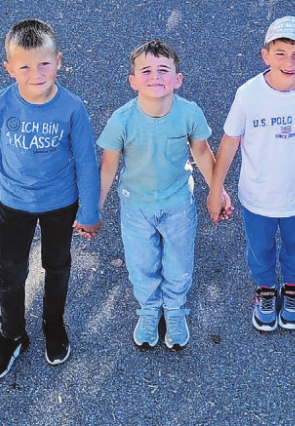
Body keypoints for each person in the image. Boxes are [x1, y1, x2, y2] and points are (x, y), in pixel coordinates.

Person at [0, 19, 100, 381]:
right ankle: (12, 333)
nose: (37, 74)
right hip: (14, 203)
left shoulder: (72, 107)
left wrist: (90, 209)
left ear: (59, 61)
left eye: (44, 64)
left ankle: (53, 324)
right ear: (9, 69)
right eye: (25, 67)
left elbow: (86, 160)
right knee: (11, 272)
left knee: (58, 265)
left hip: (60, 203)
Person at [208, 17, 295, 333]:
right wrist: (215, 189)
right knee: (260, 248)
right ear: (265, 56)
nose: (289, 62)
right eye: (281, 53)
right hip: (257, 195)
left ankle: (292, 288)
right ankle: (265, 290)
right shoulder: (248, 95)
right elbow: (230, 142)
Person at [97, 40, 227, 350]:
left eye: (163, 70)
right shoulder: (122, 120)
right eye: (146, 70)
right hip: (135, 206)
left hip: (178, 204)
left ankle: (175, 308)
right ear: (133, 81)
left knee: (178, 262)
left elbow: (203, 153)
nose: (155, 76)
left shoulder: (188, 113)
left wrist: (218, 192)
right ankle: (149, 308)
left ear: (178, 79)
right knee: (141, 263)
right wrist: (94, 209)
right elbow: (107, 168)